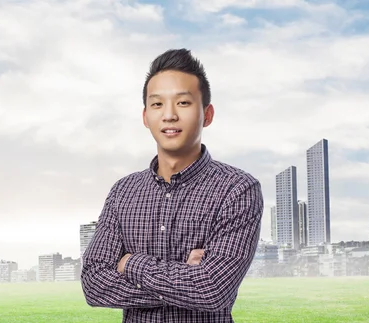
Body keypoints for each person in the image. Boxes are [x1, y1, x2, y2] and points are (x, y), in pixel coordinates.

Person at [80, 48, 264, 323]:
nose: (169, 115)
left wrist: (131, 263)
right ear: (145, 117)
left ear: (208, 114)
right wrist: (184, 282)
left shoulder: (237, 189)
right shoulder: (123, 192)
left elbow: (213, 290)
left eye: (183, 103)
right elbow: (94, 284)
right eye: (157, 104)